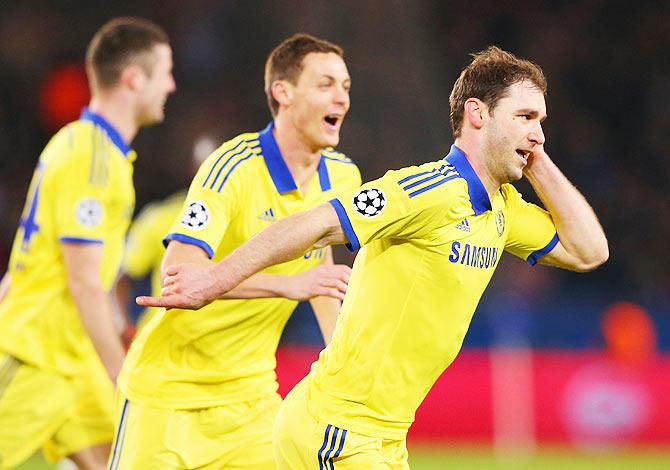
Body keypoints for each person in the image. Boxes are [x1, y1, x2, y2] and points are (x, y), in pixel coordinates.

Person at [140, 46, 609, 468]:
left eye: (541, 121)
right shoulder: (428, 190)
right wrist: (216, 278)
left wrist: (537, 158)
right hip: (337, 429)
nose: (538, 132)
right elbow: (318, 222)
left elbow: (589, 252)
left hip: (384, 437)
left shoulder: (506, 210)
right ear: (477, 114)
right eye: (525, 117)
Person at [110, 34, 361, 469]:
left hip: (251, 400)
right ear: (283, 92)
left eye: (345, 87)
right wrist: (289, 285)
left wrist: (340, 362)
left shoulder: (344, 178)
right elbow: (180, 271)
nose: (341, 97)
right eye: (325, 85)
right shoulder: (234, 165)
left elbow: (320, 271)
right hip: (168, 395)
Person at [0, 17, 175, 470]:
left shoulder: (94, 151)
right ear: (134, 78)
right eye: (165, 72)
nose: (172, 85)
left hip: (74, 361)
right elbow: (82, 281)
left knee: (127, 460)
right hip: (37, 357)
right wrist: (122, 370)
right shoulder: (91, 158)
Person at [114, 134, 218, 340]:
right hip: (161, 341)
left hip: (217, 346)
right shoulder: (159, 218)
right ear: (193, 170)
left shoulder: (247, 222)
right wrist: (123, 325)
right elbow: (121, 277)